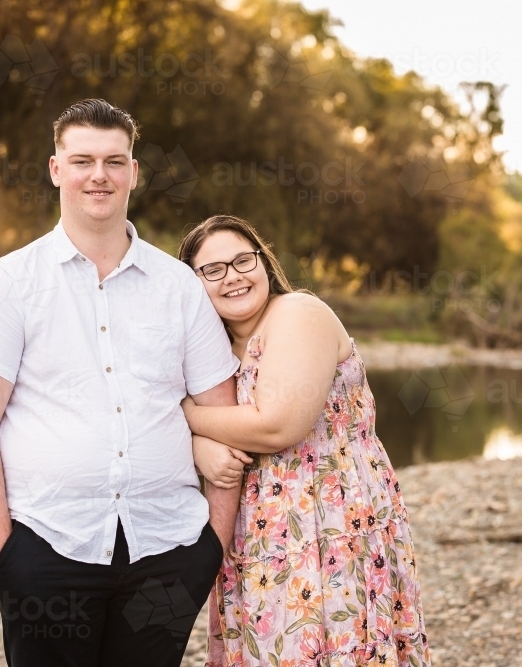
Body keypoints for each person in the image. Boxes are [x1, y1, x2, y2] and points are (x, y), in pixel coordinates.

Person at [0, 99, 245, 667]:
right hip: (46, 550)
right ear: (57, 169)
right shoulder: (12, 281)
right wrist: (4, 555)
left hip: (170, 550)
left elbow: (224, 413)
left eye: (114, 160)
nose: (99, 175)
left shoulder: (178, 286)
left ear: (133, 172)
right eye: (82, 159)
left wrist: (213, 545)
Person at [179, 216, 432, 667]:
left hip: (333, 516)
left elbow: (279, 425)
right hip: (258, 526)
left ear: (264, 262)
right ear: (192, 284)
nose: (233, 276)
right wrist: (200, 446)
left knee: (336, 647)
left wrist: (189, 418)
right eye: (213, 270)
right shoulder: (208, 347)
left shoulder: (298, 314)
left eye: (242, 260)